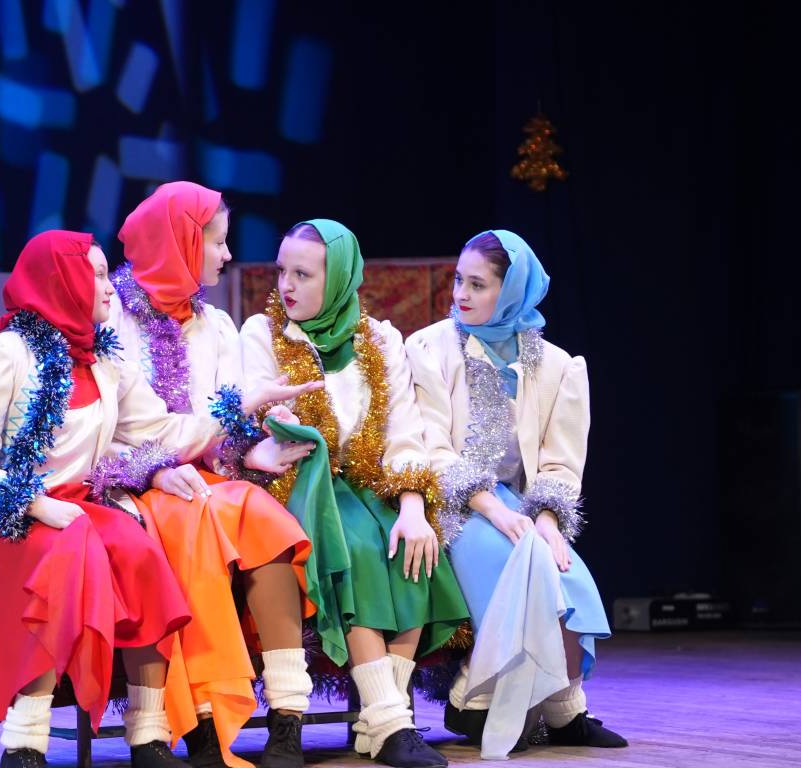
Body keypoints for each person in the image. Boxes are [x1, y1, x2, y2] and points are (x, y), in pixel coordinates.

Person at [0, 230, 275, 768]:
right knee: (69, 552)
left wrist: (242, 408)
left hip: (81, 507)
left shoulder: (104, 362)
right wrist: (34, 504)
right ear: (60, 281)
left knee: (142, 554)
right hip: (1, 516)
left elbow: (160, 431)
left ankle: (148, 733)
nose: (110, 287)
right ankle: (24, 742)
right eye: (94, 274)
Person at [102, 181, 318, 768]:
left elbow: (224, 426)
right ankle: (200, 723)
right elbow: (129, 427)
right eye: (218, 242)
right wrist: (159, 468)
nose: (227, 254)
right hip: (131, 482)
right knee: (191, 523)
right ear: (180, 244)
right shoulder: (111, 317)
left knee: (264, 519)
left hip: (203, 476)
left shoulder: (215, 324)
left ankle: (288, 716)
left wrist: (252, 452)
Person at [239, 219, 469, 768]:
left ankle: (380, 719)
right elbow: (256, 418)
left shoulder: (379, 340)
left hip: (368, 484)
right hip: (295, 483)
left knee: (415, 547)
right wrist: (276, 424)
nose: (286, 285)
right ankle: (391, 723)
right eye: (281, 271)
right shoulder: (262, 334)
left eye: (302, 274)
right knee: (361, 547)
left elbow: (403, 434)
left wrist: (412, 506)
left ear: (339, 277)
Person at [404, 229, 627, 758]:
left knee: (568, 578)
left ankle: (565, 710)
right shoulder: (430, 348)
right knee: (511, 567)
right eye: (459, 280)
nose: (461, 294)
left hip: (521, 505)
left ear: (511, 292)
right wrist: (492, 510)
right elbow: (432, 445)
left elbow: (560, 461)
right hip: (451, 502)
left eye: (478, 285)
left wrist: (547, 519)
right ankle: (474, 698)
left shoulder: (556, 366)